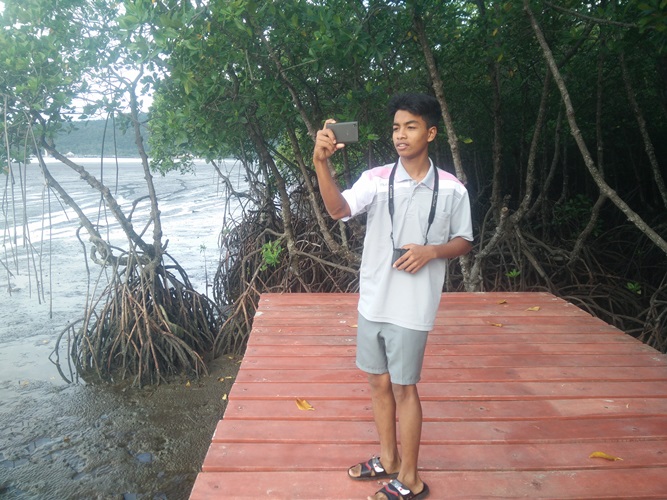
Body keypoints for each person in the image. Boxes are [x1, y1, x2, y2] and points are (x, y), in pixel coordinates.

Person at [312, 93, 474, 500]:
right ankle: (388, 460)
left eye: (411, 126)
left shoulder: (452, 188)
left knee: (404, 388)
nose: (400, 135)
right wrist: (321, 163)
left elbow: (465, 240)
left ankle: (412, 479)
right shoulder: (377, 179)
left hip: (413, 306)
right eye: (396, 128)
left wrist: (431, 251)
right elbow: (338, 210)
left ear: (430, 133)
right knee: (377, 382)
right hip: (374, 299)